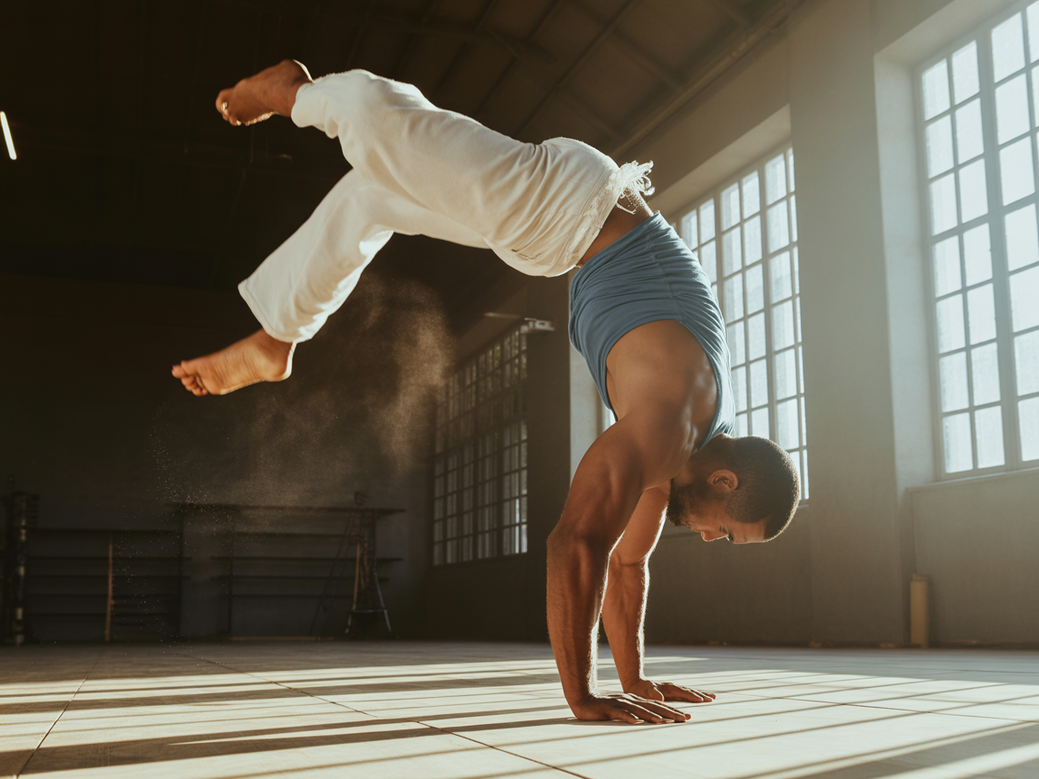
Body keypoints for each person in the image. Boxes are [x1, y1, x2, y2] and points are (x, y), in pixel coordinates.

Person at [173, 60, 801, 725]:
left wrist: (637, 675)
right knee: (383, 125)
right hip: (568, 206)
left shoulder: (676, 455)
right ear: (725, 483)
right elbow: (575, 542)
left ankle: (278, 335)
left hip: (557, 235)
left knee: (372, 195)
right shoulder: (666, 423)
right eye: (725, 534)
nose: (707, 540)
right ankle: (296, 93)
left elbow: (627, 566)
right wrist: (581, 694)